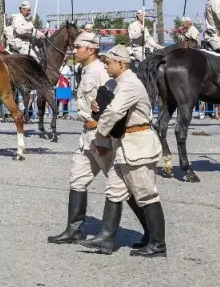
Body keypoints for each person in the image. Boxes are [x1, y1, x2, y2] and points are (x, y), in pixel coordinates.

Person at [90, 44, 168, 257]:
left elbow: (115, 110)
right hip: (125, 144)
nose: (105, 66)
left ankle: (158, 244)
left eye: (108, 62)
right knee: (114, 190)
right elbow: (109, 105)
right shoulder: (119, 84)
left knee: (145, 194)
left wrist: (100, 137)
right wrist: (98, 107)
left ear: (121, 64)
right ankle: (106, 238)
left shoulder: (130, 84)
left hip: (137, 143)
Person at [48, 31, 115, 245]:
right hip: (86, 134)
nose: (74, 50)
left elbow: (113, 103)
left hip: (101, 135)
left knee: (120, 183)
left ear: (92, 49)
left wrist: (103, 135)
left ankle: (150, 233)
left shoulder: (100, 72)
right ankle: (74, 230)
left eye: (78, 47)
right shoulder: (84, 70)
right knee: (77, 179)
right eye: (74, 47)